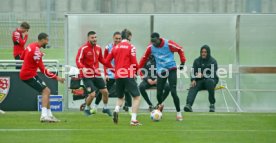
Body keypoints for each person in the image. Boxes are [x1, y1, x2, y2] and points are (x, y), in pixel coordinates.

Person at [139, 32, 186, 121]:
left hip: (171, 69)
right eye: (152, 41)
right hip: (161, 71)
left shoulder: (169, 44)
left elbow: (180, 49)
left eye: (155, 41)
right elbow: (144, 58)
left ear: (159, 39)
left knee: (173, 92)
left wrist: (182, 62)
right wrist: (137, 69)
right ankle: (160, 105)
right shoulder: (151, 47)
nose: (154, 43)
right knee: (159, 93)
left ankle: (179, 113)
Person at [20, 33, 65, 122]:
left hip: (29, 73)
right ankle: (44, 116)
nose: (47, 42)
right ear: (42, 40)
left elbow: (22, 57)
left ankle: (50, 115)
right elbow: (43, 70)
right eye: (47, 40)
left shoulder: (31, 45)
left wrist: (34, 58)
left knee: (47, 91)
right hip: (28, 75)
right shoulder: (36, 52)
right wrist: (57, 78)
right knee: (46, 91)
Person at [106, 29, 142, 126]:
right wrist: (138, 72)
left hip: (118, 75)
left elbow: (106, 61)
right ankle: (133, 120)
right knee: (137, 97)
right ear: (129, 36)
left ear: (122, 37)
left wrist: (114, 69)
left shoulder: (115, 47)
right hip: (128, 74)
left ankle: (116, 109)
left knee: (120, 97)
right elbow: (134, 62)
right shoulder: (131, 47)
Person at [91, 32, 132, 114]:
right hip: (111, 73)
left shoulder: (126, 47)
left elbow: (130, 60)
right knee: (103, 90)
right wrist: (106, 74)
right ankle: (95, 107)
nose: (118, 40)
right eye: (116, 38)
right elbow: (105, 62)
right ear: (113, 38)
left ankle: (130, 110)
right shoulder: (108, 47)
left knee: (127, 91)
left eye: (119, 39)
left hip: (122, 73)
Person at [75, 31, 112, 116]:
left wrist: (112, 67)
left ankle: (105, 108)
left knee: (105, 92)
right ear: (88, 38)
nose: (94, 39)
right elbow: (78, 60)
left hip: (96, 74)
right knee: (92, 94)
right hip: (86, 76)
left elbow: (102, 60)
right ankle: (87, 108)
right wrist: (82, 68)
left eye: (95, 37)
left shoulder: (98, 48)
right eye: (92, 37)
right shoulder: (83, 48)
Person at [184, 45, 219, 112]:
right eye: (202, 52)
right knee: (193, 85)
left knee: (210, 82)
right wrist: (193, 79)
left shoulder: (213, 61)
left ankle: (212, 104)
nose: (203, 53)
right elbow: (193, 72)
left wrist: (203, 75)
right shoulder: (196, 61)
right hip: (199, 81)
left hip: (210, 81)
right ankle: (188, 105)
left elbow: (213, 74)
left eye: (205, 52)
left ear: (208, 53)